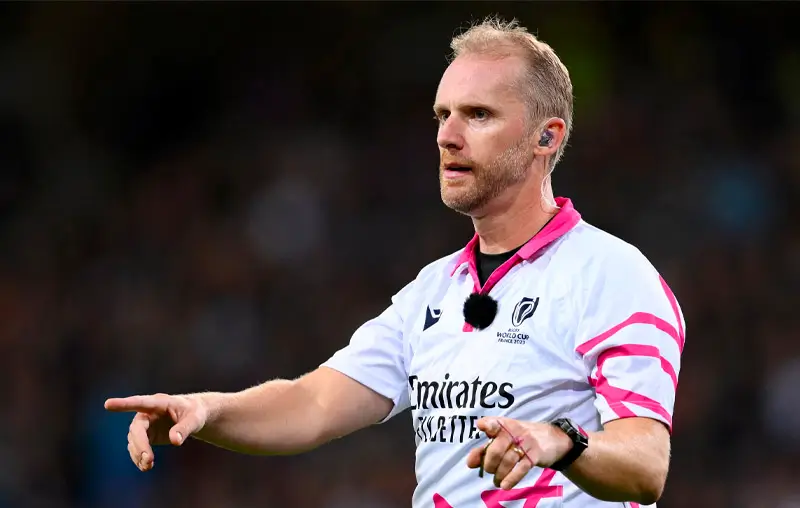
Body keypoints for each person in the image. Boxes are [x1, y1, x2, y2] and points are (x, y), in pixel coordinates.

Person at [105, 17, 685, 508]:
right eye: (442, 115)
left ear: (546, 137)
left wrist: (563, 441)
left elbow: (646, 463)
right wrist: (207, 409)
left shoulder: (611, 275)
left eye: (478, 115)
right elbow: (313, 404)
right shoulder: (432, 291)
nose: (447, 136)